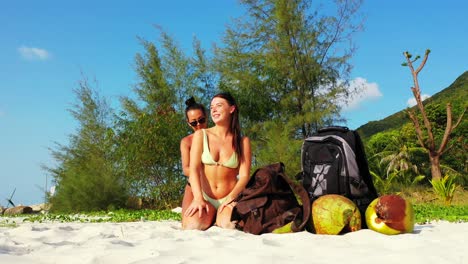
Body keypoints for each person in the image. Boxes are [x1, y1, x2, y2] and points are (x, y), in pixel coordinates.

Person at [183, 92, 252, 230]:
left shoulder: (243, 141)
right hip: (205, 197)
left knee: (229, 224)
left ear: (232, 109)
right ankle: (210, 216)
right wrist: (198, 198)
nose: (214, 109)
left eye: (219, 106)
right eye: (211, 107)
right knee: (192, 225)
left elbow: (244, 176)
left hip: (229, 197)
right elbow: (194, 170)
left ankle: (218, 218)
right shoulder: (201, 135)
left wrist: (231, 198)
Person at [180, 97, 208, 217]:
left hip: (217, 184)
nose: (198, 125)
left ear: (207, 117)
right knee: (188, 219)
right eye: (194, 123)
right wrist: (198, 170)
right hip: (195, 184)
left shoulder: (218, 136)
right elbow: (186, 169)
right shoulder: (186, 142)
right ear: (188, 123)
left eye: (201, 120)